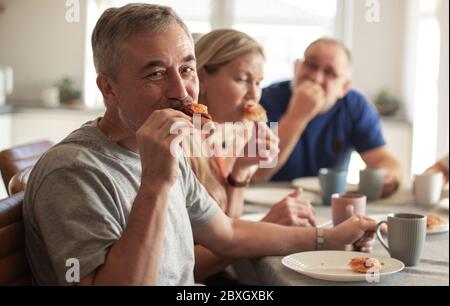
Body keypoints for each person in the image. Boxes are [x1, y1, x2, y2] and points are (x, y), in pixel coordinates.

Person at [23, 4, 377, 286]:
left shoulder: (170, 152)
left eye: (187, 69)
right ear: (108, 88)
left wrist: (328, 237)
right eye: (156, 73)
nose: (181, 91)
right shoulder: (74, 171)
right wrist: (155, 186)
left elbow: (229, 234)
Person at [191, 29, 317, 283]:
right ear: (203, 78)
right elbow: (184, 266)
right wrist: (268, 225)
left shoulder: (218, 134)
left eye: (258, 82)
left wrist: (241, 170)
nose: (253, 95)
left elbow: (228, 223)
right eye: (242, 79)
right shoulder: (181, 141)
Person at [254, 38, 403, 198]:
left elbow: (383, 159)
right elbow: (257, 174)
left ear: (344, 87)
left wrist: (390, 176)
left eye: (330, 73)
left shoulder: (355, 106)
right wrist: (296, 116)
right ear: (297, 67)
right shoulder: (264, 101)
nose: (316, 78)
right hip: (267, 200)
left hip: (328, 203)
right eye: (311, 65)